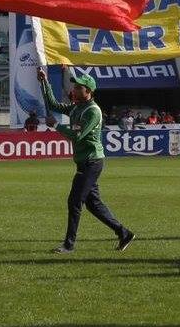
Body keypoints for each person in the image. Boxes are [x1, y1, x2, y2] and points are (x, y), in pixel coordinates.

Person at [42, 69, 134, 254]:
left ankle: (69, 245)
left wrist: (56, 125)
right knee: (93, 204)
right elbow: (52, 104)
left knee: (74, 201)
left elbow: (77, 136)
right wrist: (44, 82)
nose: (74, 90)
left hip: (91, 162)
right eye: (75, 86)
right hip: (85, 161)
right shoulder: (77, 107)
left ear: (89, 91)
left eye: (78, 87)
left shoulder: (93, 111)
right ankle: (124, 233)